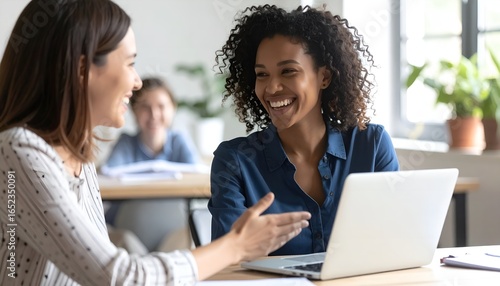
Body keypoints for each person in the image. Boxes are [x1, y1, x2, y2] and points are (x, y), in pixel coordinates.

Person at [0, 1, 311, 285]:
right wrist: (235, 246)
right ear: (82, 70)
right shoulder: (18, 151)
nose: (136, 82)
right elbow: (117, 276)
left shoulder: (78, 154)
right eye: (130, 63)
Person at [208, 5, 400, 256]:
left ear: (324, 77)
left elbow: (396, 242)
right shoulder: (234, 161)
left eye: (288, 71)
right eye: (262, 74)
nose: (272, 87)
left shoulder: (371, 145)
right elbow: (226, 263)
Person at [102, 77, 199, 252]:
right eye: (145, 107)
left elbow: (197, 176)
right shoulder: (125, 143)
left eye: (161, 106)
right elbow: (108, 173)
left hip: (172, 238)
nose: (154, 114)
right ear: (133, 110)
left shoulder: (179, 141)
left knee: (191, 234)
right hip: (127, 238)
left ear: (173, 109)